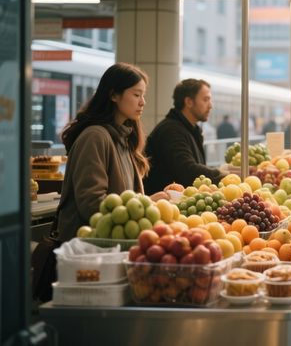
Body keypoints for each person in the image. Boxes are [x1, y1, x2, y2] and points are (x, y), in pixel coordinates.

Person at [57, 63, 149, 242]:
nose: (142, 102)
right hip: (87, 249)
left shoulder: (123, 137)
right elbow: (92, 205)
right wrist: (147, 205)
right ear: (114, 95)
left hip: (109, 245)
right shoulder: (95, 137)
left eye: (143, 95)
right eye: (136, 94)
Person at [144, 79, 225, 193]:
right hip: (166, 206)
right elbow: (188, 170)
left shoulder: (191, 129)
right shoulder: (170, 130)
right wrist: (226, 176)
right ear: (189, 102)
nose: (210, 105)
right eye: (205, 100)